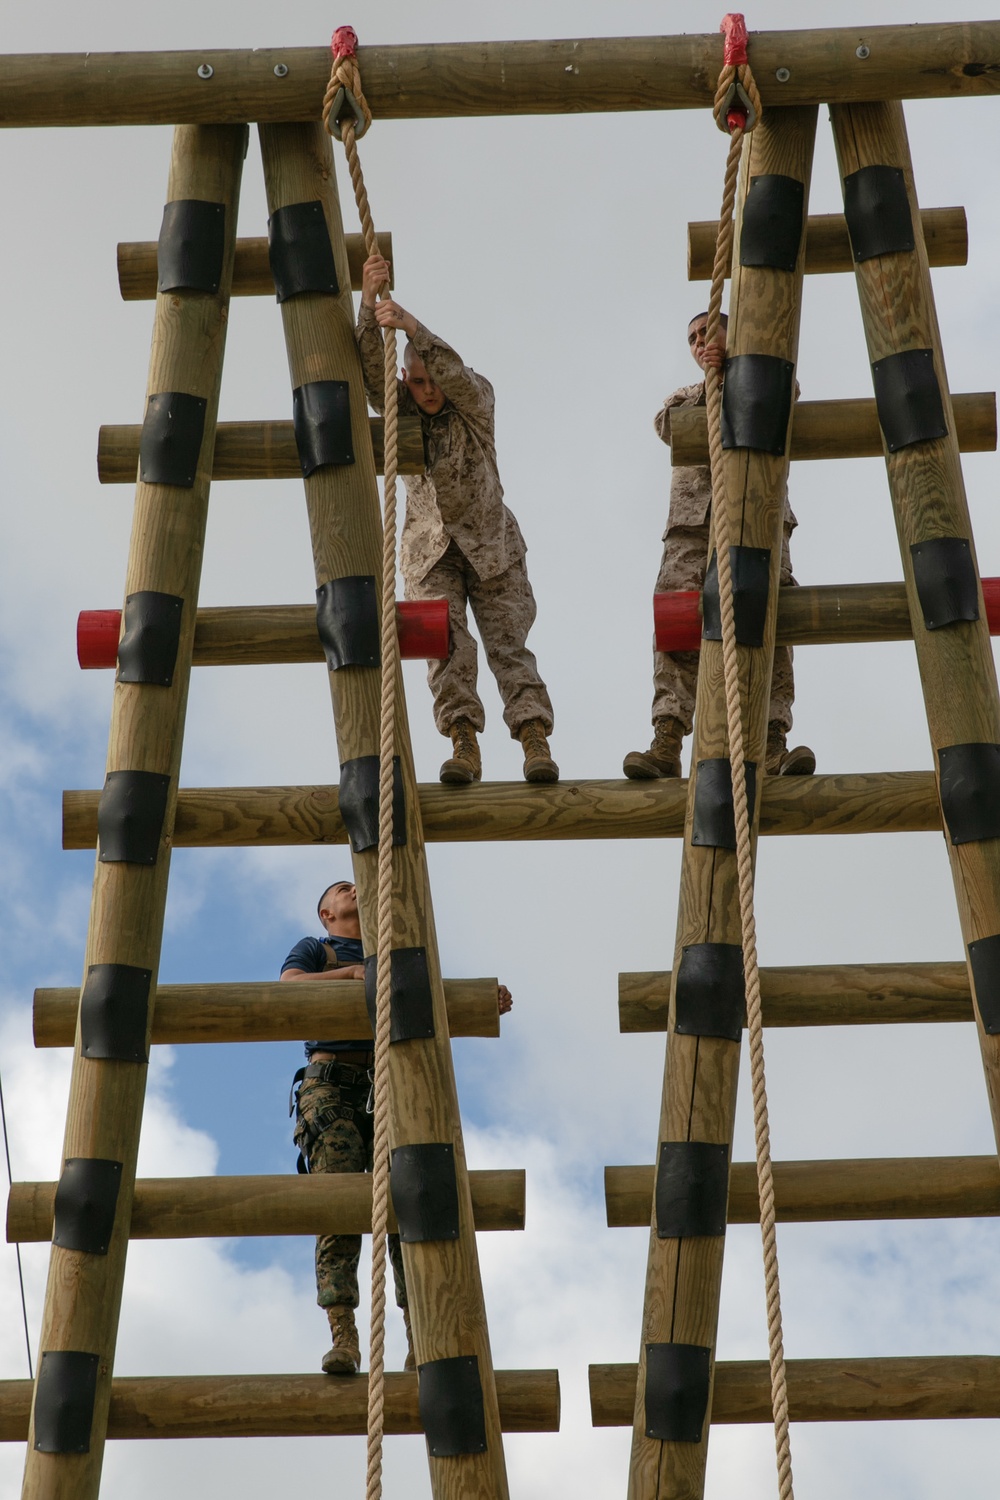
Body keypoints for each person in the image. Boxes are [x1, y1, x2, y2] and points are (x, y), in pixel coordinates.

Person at [283, 880, 513, 1376]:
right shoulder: (317, 948)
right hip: (333, 1087)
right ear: (327, 913)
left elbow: (427, 999)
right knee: (339, 1203)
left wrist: (475, 999)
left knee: (412, 1205)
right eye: (344, 889)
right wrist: (349, 974)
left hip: (389, 1086)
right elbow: (290, 987)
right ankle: (343, 1334)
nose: (355, 889)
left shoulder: (393, 949)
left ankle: (417, 1334)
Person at [355, 252, 558, 787]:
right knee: (444, 646)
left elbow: (453, 374)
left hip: (492, 545)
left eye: (432, 380)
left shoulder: (473, 400)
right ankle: (463, 740)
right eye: (417, 382)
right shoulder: (401, 410)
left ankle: (533, 735)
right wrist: (368, 302)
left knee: (508, 644)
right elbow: (372, 377)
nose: (428, 391)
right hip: (431, 550)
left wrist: (413, 327)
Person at [623, 311, 815, 780]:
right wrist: (714, 381)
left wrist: (735, 369)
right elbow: (667, 424)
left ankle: (772, 740)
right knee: (676, 621)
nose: (698, 342)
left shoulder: (770, 375)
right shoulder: (687, 397)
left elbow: (784, 392)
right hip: (693, 526)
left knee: (770, 616)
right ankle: (667, 738)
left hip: (759, 518)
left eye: (708, 331)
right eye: (691, 337)